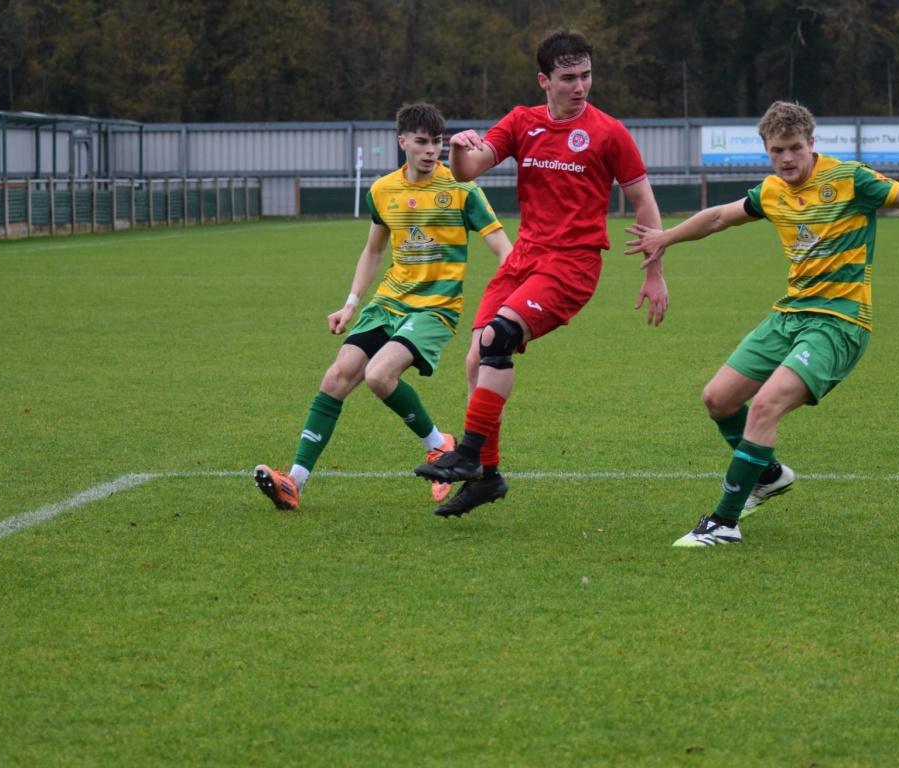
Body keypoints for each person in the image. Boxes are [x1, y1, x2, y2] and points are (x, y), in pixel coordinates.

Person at [625, 100, 899, 547]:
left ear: (811, 143)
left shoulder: (850, 179)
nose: (787, 159)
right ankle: (767, 475)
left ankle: (723, 523)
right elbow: (717, 218)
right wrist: (665, 237)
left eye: (794, 148)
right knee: (718, 398)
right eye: (777, 151)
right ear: (767, 151)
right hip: (791, 314)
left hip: (840, 323)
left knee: (765, 406)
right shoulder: (771, 191)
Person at [413, 30, 670, 517]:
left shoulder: (609, 132)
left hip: (572, 264)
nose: (580, 86)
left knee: (498, 338)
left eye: (586, 75)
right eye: (568, 77)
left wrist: (654, 271)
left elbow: (644, 203)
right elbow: (467, 171)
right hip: (524, 259)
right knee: (476, 360)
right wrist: (459, 148)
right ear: (544, 81)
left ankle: (467, 454)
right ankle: (487, 477)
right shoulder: (521, 122)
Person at [254, 102, 512, 511]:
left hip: (435, 309)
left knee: (378, 375)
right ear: (402, 141)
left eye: (437, 142)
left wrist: (510, 305)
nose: (431, 150)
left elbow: (504, 249)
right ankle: (294, 482)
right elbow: (373, 251)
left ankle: (437, 443)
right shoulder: (382, 190)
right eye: (422, 142)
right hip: (387, 302)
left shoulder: (462, 190)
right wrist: (350, 304)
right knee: (336, 377)